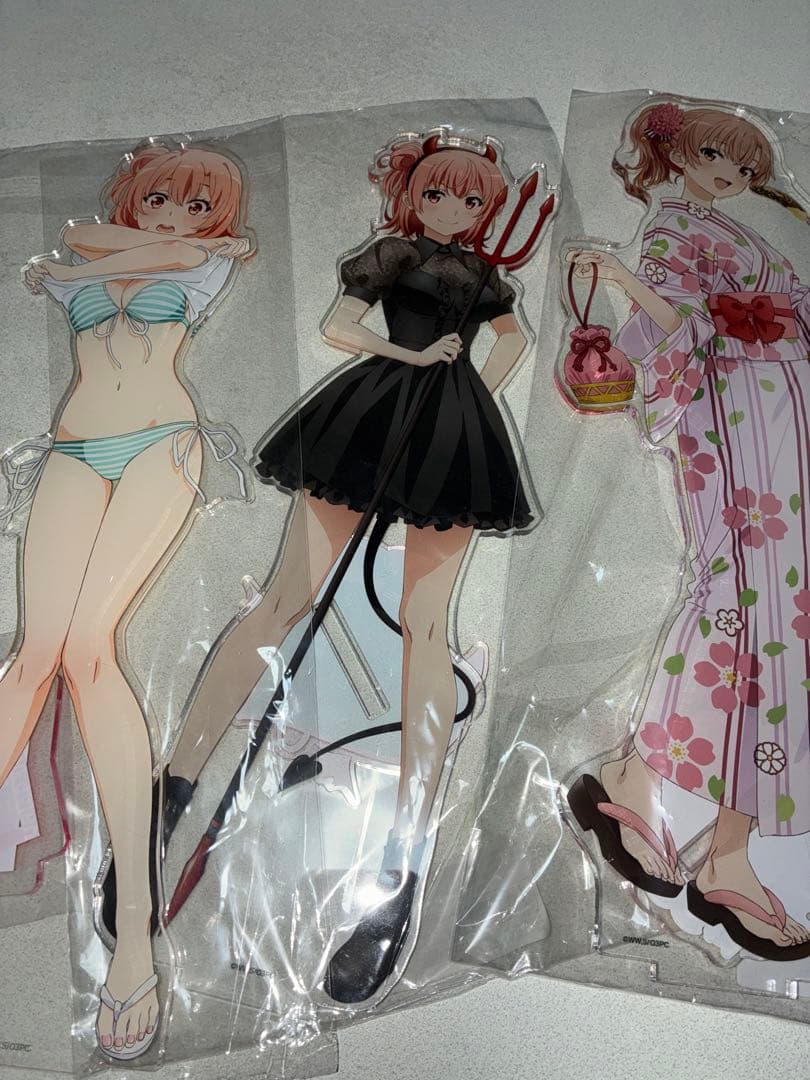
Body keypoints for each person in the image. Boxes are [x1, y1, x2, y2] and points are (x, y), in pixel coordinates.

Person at [157, 131, 533, 1002]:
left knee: (426, 630)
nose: (455, 211)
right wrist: (413, 358)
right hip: (371, 410)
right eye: (439, 194)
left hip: (451, 429)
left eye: (472, 200)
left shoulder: (484, 276)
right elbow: (339, 325)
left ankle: (402, 865)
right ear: (411, 194)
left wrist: (475, 389)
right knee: (285, 599)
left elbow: (511, 340)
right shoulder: (392, 252)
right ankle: (168, 797)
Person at [0, 142, 250, 1058]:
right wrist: (87, 259)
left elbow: (107, 248)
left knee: (92, 651)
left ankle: (135, 937)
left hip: (160, 448)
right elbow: (77, 237)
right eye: (159, 198)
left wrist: (91, 262)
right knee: (35, 652)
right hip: (73, 450)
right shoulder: (116, 255)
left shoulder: (204, 264)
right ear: (134, 197)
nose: (176, 218)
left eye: (197, 204)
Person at [566, 102, 810, 962]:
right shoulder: (672, 230)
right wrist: (622, 280)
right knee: (732, 597)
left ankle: (729, 850)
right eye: (714, 155)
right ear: (675, 152)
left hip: (786, 411)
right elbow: (671, 326)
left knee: (790, 619)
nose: (728, 176)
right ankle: (637, 775)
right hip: (730, 409)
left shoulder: (745, 239)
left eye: (744, 169)